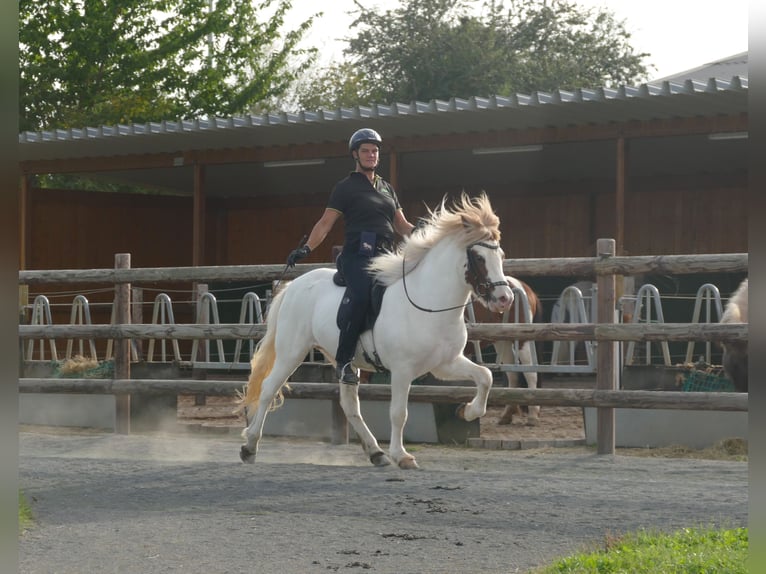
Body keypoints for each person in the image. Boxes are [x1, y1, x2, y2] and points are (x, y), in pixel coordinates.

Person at [286, 128, 416, 384]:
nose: (371, 155)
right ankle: (344, 361)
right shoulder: (345, 188)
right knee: (359, 296)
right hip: (358, 256)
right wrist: (306, 248)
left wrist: (425, 233)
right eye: (366, 151)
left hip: (387, 255)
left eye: (375, 151)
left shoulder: (387, 188)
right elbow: (325, 223)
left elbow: (402, 225)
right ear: (355, 154)